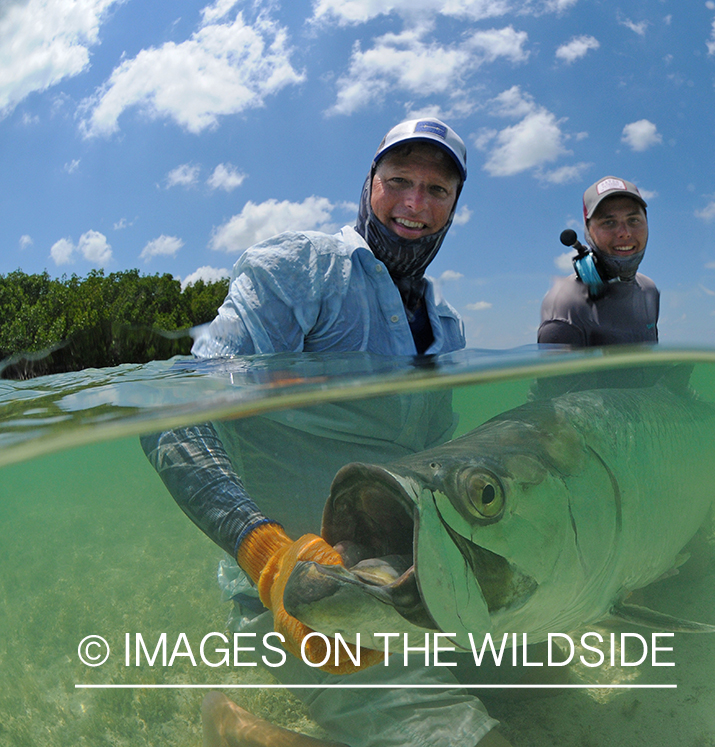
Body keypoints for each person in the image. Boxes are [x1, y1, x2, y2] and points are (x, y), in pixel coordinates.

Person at [141, 118, 511, 747]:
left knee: (546, 677)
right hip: (303, 594)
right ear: (368, 185)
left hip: (405, 578)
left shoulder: (446, 328)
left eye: (436, 189)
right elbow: (165, 408)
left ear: (454, 206)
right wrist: (265, 553)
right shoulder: (297, 271)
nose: (415, 204)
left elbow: (427, 465)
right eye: (398, 181)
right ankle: (237, 731)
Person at [538, 175, 658, 347]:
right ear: (587, 232)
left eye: (633, 220)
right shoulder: (566, 305)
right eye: (609, 222)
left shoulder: (648, 289)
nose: (625, 232)